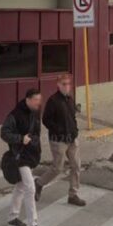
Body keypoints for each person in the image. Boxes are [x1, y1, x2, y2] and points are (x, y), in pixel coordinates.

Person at [0, 87, 46, 226]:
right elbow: (4, 133)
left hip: (31, 155)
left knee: (20, 187)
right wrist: (20, 139)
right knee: (30, 188)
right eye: (36, 100)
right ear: (27, 99)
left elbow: (37, 133)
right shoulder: (15, 115)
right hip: (19, 156)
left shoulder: (36, 112)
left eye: (40, 100)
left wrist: (37, 147)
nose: (38, 103)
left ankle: (12, 218)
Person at [36, 73, 85, 206]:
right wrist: (58, 131)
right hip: (58, 140)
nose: (67, 86)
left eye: (69, 84)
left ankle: (73, 195)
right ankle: (39, 183)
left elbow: (73, 116)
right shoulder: (53, 101)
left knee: (76, 166)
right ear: (58, 85)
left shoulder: (69, 99)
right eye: (64, 84)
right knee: (57, 168)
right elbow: (46, 120)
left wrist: (75, 131)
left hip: (72, 139)